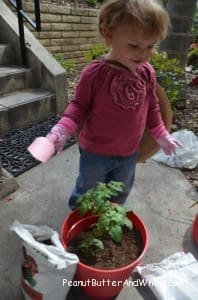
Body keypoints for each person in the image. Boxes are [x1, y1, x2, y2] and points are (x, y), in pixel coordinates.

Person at [45, 0, 183, 210]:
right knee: (87, 192)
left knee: (119, 193)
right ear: (108, 34)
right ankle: (80, 221)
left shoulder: (146, 73)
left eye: (151, 46)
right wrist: (61, 129)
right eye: (135, 45)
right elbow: (79, 106)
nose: (145, 54)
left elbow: (152, 108)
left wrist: (161, 134)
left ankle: (109, 219)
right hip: (95, 153)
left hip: (129, 153)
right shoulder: (96, 73)